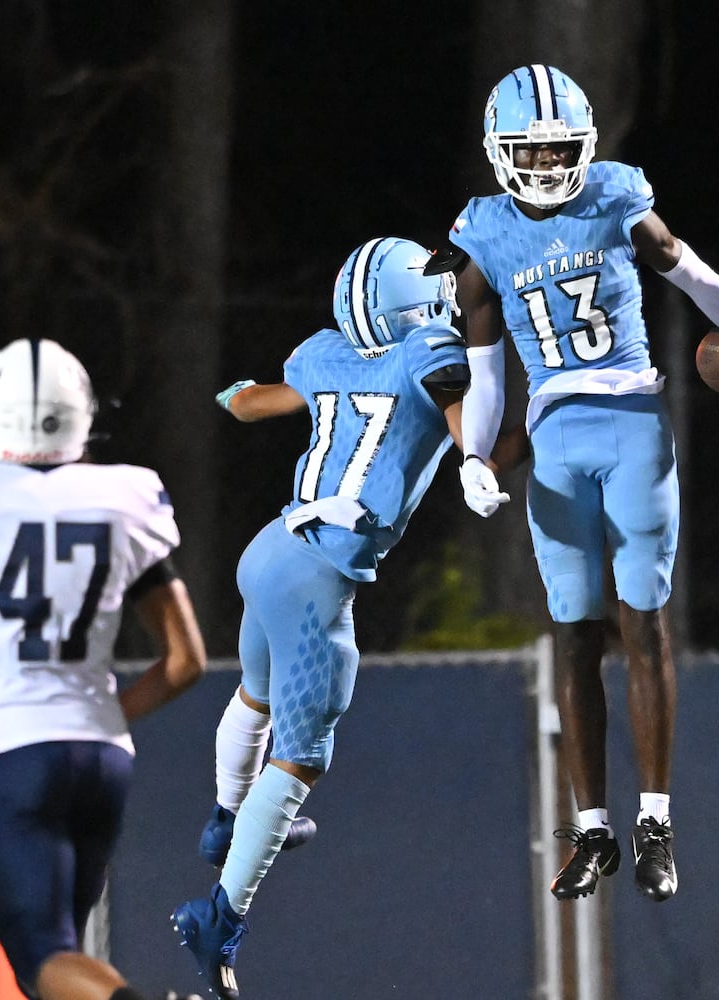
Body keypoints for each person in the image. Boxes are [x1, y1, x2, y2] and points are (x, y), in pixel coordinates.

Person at [439, 63, 719, 902]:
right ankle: (591, 829)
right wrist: (474, 460)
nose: (551, 163)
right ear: (499, 152)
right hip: (555, 436)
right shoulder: (483, 240)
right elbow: (486, 377)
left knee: (643, 621)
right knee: (571, 631)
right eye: (534, 149)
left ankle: (656, 820)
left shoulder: (618, 200)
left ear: (587, 144)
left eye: (562, 147)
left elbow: (697, 277)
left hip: (632, 420)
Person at [170, 237, 482, 1000]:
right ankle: (218, 919)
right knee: (304, 756)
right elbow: (459, 403)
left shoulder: (322, 354)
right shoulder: (429, 351)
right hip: (318, 581)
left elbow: (247, 403)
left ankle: (224, 819)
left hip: (271, 548)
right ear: (418, 305)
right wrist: (477, 456)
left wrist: (228, 392)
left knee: (255, 695)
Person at [0, 338, 206, 1000]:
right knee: (63, 965)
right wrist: (104, 713)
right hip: (101, 752)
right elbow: (185, 661)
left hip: (15, 748)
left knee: (39, 951)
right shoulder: (126, 497)